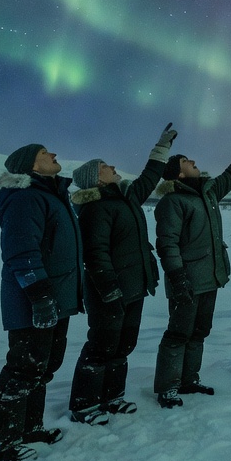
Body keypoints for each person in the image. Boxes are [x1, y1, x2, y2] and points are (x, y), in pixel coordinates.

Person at [65, 125, 178, 425]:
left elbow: (149, 177)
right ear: (96, 178)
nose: (112, 166)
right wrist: (109, 289)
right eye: (105, 166)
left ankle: (112, 397)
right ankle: (84, 405)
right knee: (101, 346)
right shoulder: (95, 208)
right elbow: (95, 254)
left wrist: (161, 149)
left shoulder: (125, 198)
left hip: (134, 287)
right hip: (109, 291)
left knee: (124, 345)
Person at [151, 131, 231, 408]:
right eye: (186, 161)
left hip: (210, 277)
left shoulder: (208, 192)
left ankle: (188, 380)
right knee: (178, 333)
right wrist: (178, 277)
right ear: (179, 174)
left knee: (199, 331)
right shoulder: (173, 202)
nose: (193, 161)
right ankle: (167, 387)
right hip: (187, 280)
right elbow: (167, 244)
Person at [0, 143, 80, 461]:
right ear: (31, 166)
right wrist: (40, 297)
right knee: (23, 369)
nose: (54, 155)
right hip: (32, 301)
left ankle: (29, 428)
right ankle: (1, 443)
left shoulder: (51, 195)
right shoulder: (26, 198)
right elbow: (21, 252)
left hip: (55, 298)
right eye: (45, 153)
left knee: (43, 367)